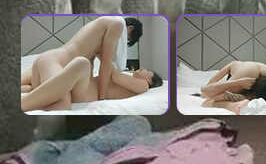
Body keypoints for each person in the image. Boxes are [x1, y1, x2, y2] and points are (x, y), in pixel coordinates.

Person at [20, 16, 144, 110]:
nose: (121, 42)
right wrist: (102, 99)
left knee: (31, 88)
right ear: (130, 28)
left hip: (52, 62)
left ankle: (33, 91)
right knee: (62, 106)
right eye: (127, 39)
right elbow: (105, 66)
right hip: (55, 63)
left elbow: (93, 64)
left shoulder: (98, 29)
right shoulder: (117, 24)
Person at [21, 57, 161, 112]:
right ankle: (30, 89)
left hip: (85, 93)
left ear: (150, 80)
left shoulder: (143, 85)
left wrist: (104, 55)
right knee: (43, 63)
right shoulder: (131, 79)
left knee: (82, 64)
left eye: (147, 70)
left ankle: (28, 98)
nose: (143, 69)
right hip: (81, 88)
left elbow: (115, 77)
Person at [198, 60, 266, 113]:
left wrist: (238, 82)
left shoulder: (234, 64)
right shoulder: (245, 67)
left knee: (208, 100)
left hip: (251, 74)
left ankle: (231, 105)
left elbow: (206, 91)